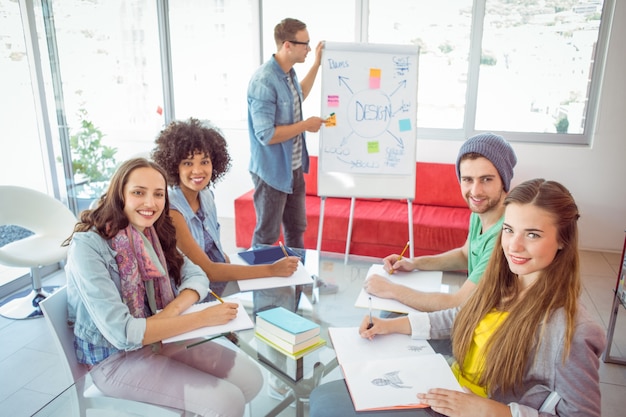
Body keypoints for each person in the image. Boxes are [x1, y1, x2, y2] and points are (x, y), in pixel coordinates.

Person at [311, 178, 607, 417]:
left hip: (472, 408)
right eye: (509, 230)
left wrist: (498, 412)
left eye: (532, 235)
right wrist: (391, 326)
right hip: (444, 386)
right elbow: (461, 316)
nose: (513, 246)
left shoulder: (574, 331)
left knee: (328, 403)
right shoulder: (504, 282)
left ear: (562, 240)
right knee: (326, 397)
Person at [62, 158, 263, 417]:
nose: (150, 203)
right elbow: (124, 333)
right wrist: (201, 318)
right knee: (227, 402)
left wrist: (169, 313)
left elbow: (197, 275)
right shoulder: (89, 246)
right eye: (138, 192)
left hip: (163, 337)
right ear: (119, 194)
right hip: (115, 360)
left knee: (251, 379)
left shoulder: (152, 231)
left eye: (158, 194)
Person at [151, 117, 300, 302]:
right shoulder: (172, 210)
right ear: (174, 166)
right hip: (187, 296)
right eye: (188, 163)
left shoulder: (206, 195)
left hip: (216, 288)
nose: (198, 170)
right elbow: (208, 270)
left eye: (204, 161)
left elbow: (215, 253)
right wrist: (271, 270)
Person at [364, 133, 517, 311]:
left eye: (486, 179)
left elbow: (457, 303)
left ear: (504, 180)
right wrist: (415, 263)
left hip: (486, 327)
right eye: (468, 180)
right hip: (475, 314)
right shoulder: (481, 212)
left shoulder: (505, 234)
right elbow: (464, 255)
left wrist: (391, 289)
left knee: (388, 315)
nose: (475, 191)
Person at [247, 17, 337, 299]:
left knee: (296, 230)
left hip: (294, 169)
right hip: (273, 173)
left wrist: (317, 65)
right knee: (266, 235)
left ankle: (301, 281)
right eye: (305, 44)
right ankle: (262, 291)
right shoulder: (264, 81)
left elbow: (301, 95)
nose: (309, 48)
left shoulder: (289, 74)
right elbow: (266, 134)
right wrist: (305, 125)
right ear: (288, 45)